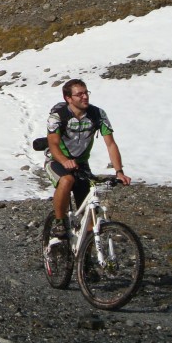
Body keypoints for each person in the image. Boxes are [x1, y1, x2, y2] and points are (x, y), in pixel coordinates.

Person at [45, 79, 130, 238]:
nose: (85, 97)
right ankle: (59, 222)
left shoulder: (97, 114)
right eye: (79, 94)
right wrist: (64, 161)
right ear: (68, 98)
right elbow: (53, 144)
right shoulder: (57, 117)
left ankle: (87, 256)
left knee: (90, 221)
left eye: (86, 93)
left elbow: (110, 144)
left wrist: (119, 171)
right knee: (67, 180)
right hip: (56, 160)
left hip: (81, 164)